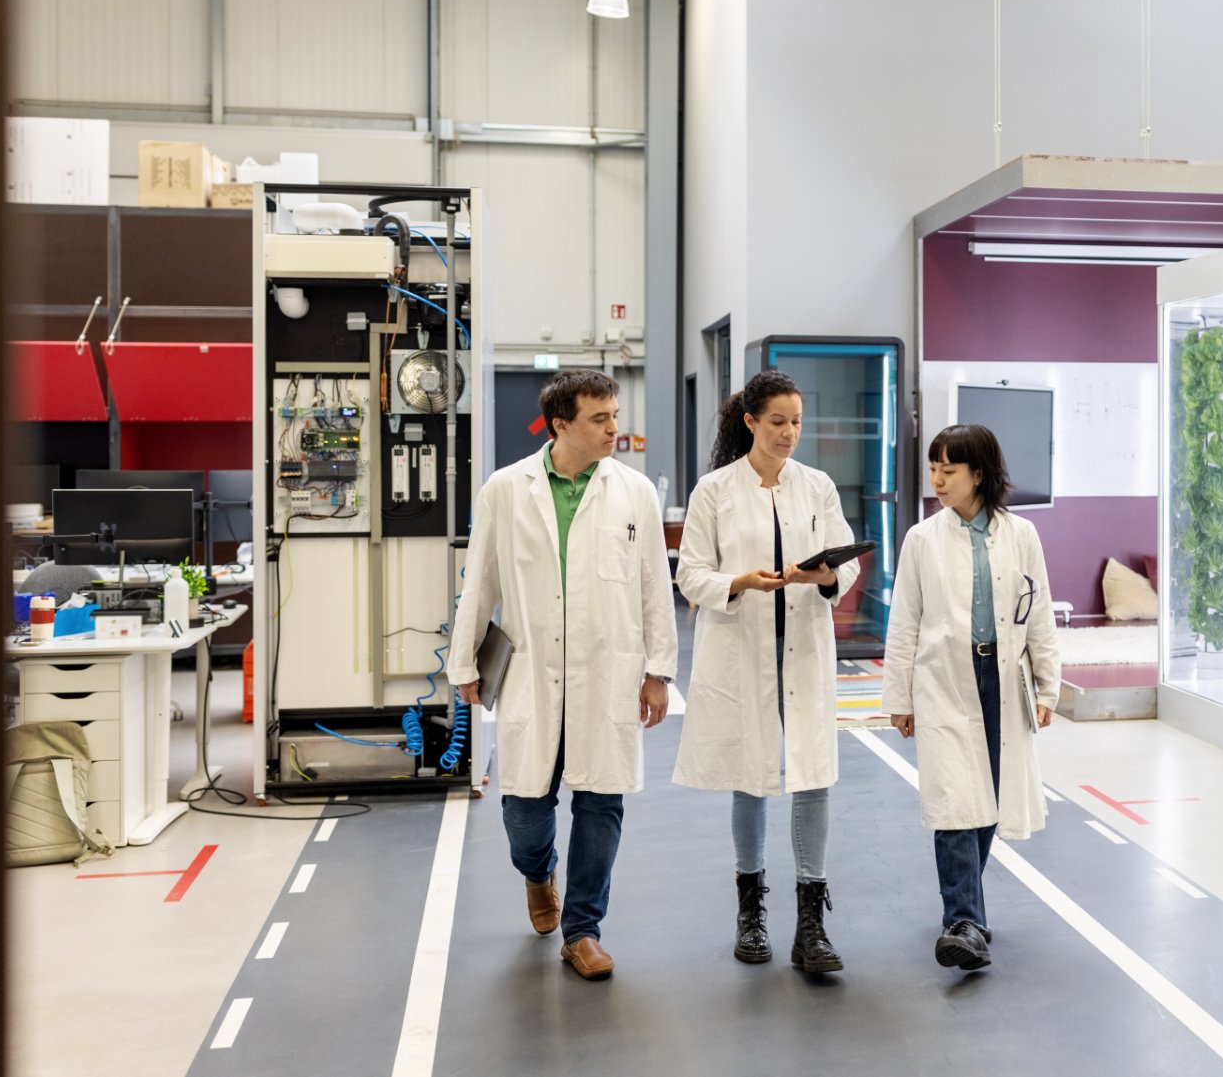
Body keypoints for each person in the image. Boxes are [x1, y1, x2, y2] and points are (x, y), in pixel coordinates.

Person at [448, 369, 676, 981]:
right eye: (600, 418)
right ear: (561, 425)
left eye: (614, 415)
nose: (614, 428)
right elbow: (482, 581)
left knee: (602, 802)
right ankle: (537, 871)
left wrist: (659, 670)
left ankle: (584, 930)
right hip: (532, 671)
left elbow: (655, 586)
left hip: (609, 670)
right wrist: (463, 660)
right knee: (525, 807)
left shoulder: (634, 493)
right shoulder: (506, 489)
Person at [673, 369, 865, 974]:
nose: (789, 434)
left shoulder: (818, 487)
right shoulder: (715, 491)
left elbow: (846, 565)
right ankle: (750, 914)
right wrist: (739, 582)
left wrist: (827, 574)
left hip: (803, 646)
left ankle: (812, 923)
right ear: (750, 421)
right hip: (742, 645)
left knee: (812, 771)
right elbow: (690, 575)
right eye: (777, 422)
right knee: (751, 773)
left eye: (797, 423)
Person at [882, 423, 1060, 973]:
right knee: (955, 799)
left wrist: (1049, 684)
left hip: (1003, 680)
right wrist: (900, 694)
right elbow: (905, 620)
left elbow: (1040, 614)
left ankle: (968, 913)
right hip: (943, 680)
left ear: (978, 474)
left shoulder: (1020, 535)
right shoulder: (921, 539)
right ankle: (962, 920)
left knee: (989, 797)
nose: (936, 479)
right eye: (933, 467)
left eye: (948, 470)